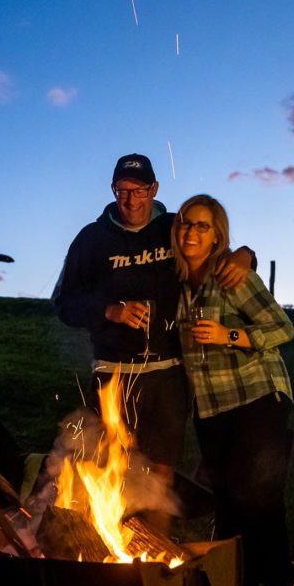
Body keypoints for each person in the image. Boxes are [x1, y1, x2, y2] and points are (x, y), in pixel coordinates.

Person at [53, 153, 253, 533]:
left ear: (155, 189)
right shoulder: (91, 240)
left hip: (167, 375)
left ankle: (154, 553)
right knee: (112, 468)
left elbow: (217, 254)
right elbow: (64, 303)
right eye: (122, 191)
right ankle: (110, 547)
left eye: (139, 190)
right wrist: (109, 310)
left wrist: (246, 255)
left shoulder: (173, 228)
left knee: (160, 473)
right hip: (113, 373)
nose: (130, 200)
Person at [172, 193, 294, 586]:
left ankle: (280, 578)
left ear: (217, 237)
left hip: (257, 394)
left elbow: (283, 328)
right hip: (211, 407)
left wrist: (230, 335)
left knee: (255, 494)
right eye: (187, 223)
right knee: (228, 500)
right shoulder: (175, 284)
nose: (192, 231)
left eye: (203, 226)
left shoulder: (232, 276)